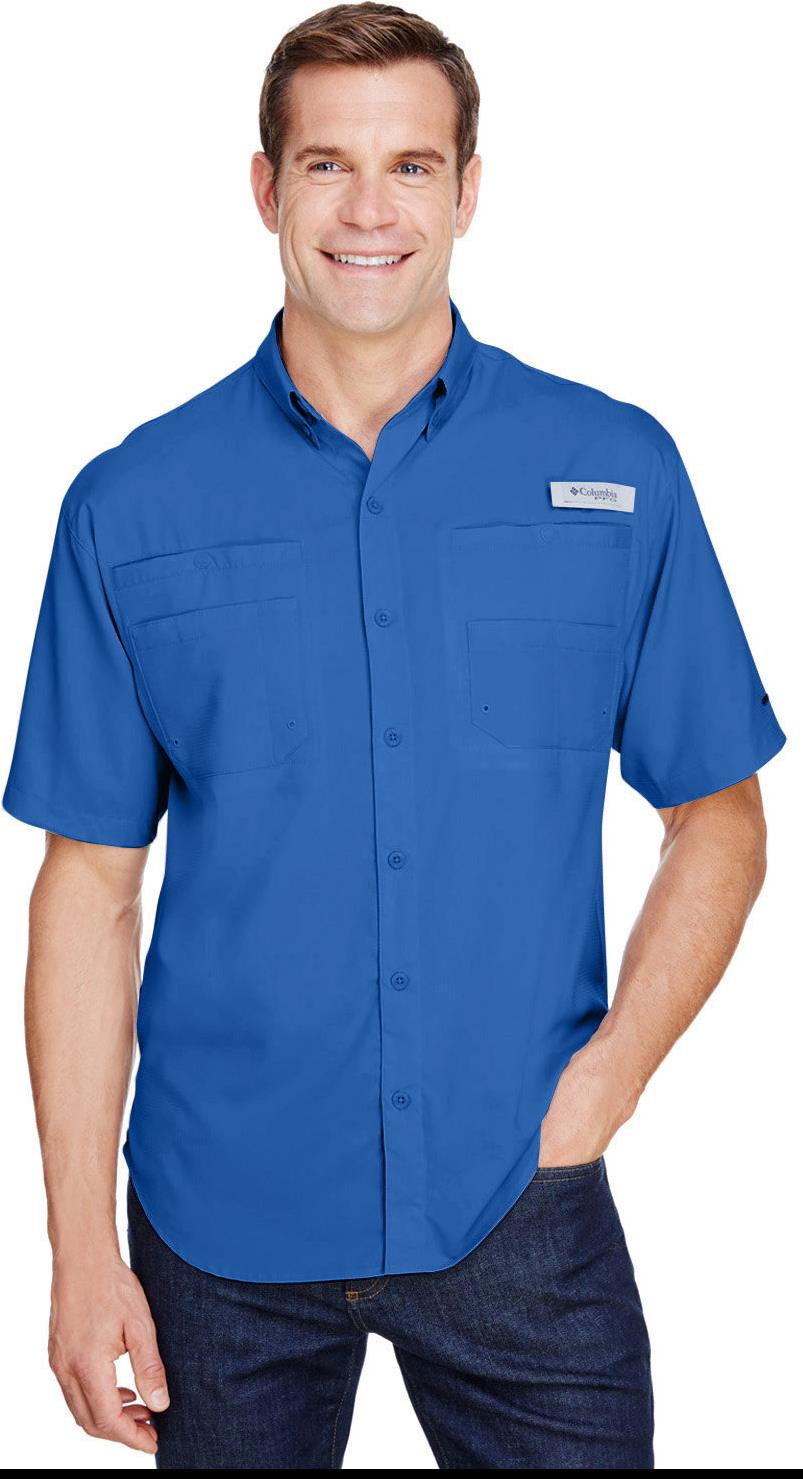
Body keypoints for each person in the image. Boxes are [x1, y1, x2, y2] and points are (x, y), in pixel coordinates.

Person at [2, 2, 787, 1470]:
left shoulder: (616, 469)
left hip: (520, 1202)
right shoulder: (130, 504)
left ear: (468, 190)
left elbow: (721, 817)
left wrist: (605, 1086)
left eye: (412, 166)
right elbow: (88, 887)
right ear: (266, 189)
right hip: (217, 1224)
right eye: (329, 166)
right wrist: (78, 1252)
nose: (371, 211)